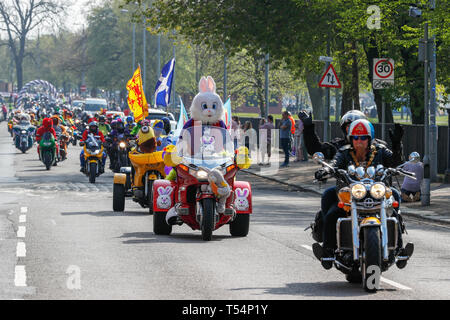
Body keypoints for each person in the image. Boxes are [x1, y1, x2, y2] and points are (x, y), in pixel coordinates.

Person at [313, 119, 413, 270]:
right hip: (351, 194)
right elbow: (335, 162)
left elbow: (395, 161)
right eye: (355, 138)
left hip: (376, 193)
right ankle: (328, 252)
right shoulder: (344, 152)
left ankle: (399, 250)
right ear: (350, 138)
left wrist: (397, 143)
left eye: (363, 137)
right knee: (333, 213)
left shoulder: (379, 150)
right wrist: (326, 170)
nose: (359, 141)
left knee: (394, 209)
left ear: (369, 138)